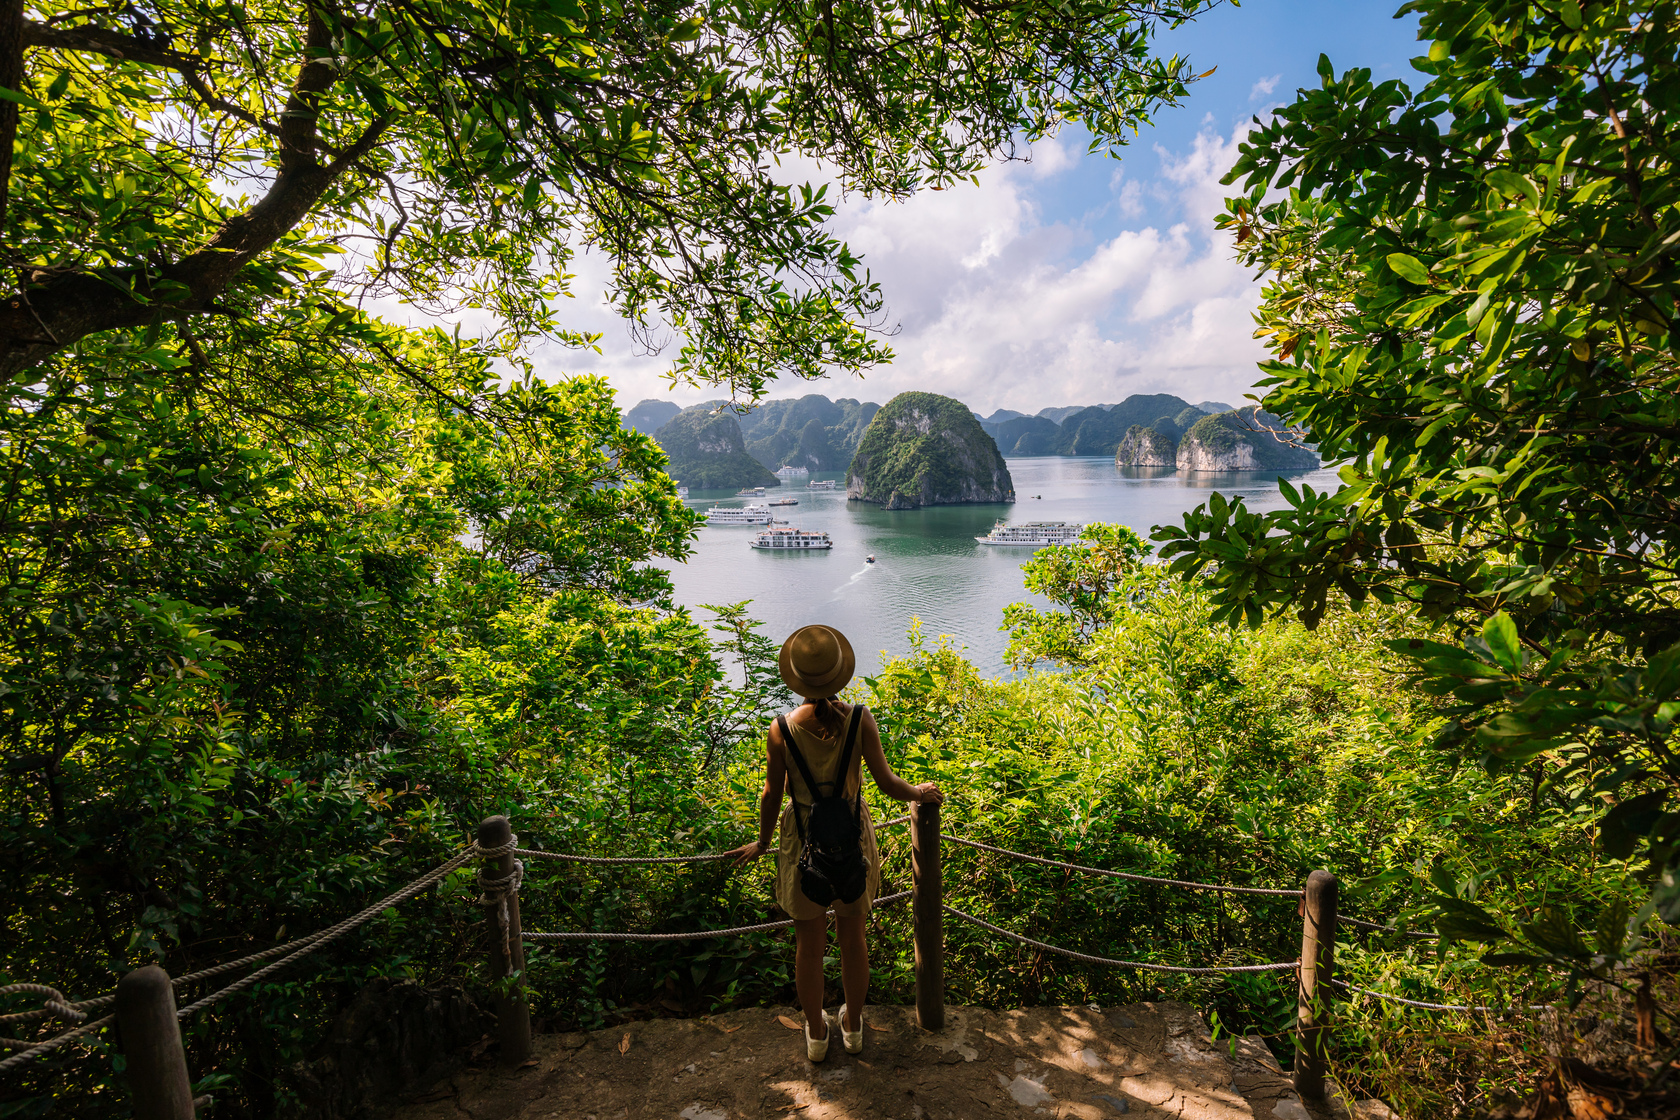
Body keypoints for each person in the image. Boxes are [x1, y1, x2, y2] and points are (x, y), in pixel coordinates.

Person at [729, 624, 943, 1061]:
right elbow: (886, 783)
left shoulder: (781, 729)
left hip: (801, 840)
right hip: (851, 836)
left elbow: (772, 793)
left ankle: (814, 1034)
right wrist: (919, 792)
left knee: (808, 944)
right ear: (839, 675)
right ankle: (854, 1026)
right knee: (853, 937)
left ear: (797, 678)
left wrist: (763, 842)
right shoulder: (859, 719)